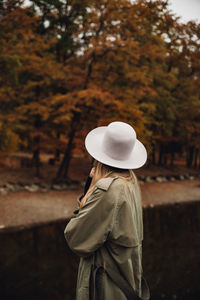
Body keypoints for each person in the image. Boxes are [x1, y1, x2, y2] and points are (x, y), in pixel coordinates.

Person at [64, 121, 150, 300]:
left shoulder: (108, 188)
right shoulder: (130, 181)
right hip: (125, 278)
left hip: (106, 287)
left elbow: (77, 239)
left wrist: (92, 188)